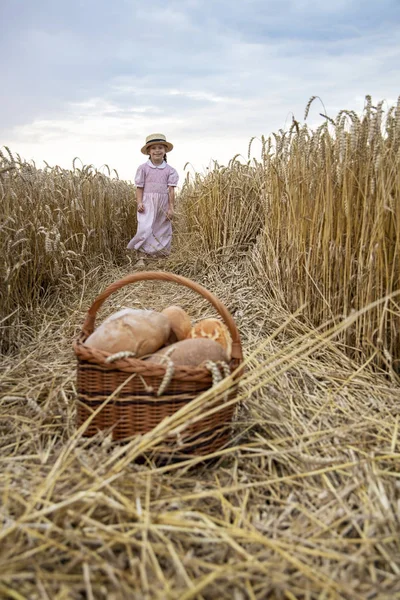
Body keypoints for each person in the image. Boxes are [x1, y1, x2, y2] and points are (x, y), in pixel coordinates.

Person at [127, 133, 179, 266]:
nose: (157, 150)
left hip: (163, 203)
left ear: (165, 150)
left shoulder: (170, 170)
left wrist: (170, 207)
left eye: (160, 147)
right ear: (149, 151)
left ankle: (160, 256)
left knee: (162, 228)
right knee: (145, 227)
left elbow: (171, 190)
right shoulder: (143, 168)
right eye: (154, 148)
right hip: (147, 203)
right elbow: (139, 187)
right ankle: (142, 256)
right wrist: (139, 202)